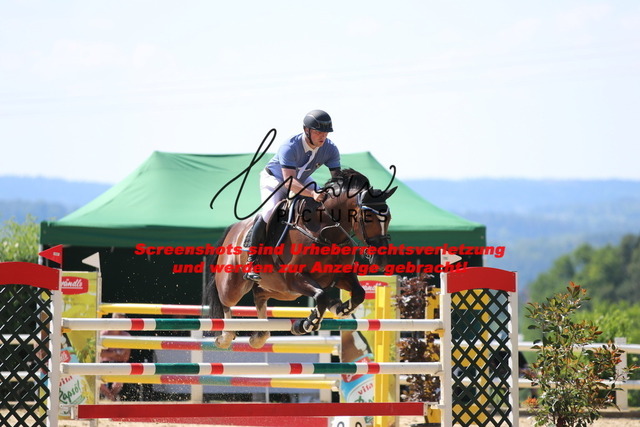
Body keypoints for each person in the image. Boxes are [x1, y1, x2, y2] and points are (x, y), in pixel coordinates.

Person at [244, 109, 342, 281]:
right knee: (269, 212)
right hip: (275, 179)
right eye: (318, 132)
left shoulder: (330, 148)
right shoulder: (289, 146)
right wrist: (312, 193)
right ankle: (252, 260)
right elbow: (289, 182)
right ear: (306, 130)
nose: (323, 136)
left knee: (326, 204)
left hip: (302, 179)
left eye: (326, 132)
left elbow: (337, 179)